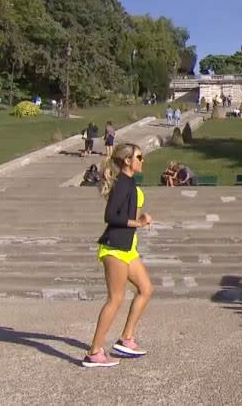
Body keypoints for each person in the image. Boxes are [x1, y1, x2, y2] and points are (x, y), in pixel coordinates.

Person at [83, 144, 153, 368]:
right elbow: (110, 215)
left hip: (127, 247)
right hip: (114, 247)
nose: (142, 160)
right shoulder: (123, 182)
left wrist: (142, 216)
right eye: (139, 157)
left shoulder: (129, 182)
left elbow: (126, 211)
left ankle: (126, 339)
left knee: (145, 289)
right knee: (116, 299)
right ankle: (94, 353)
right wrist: (138, 222)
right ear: (127, 161)